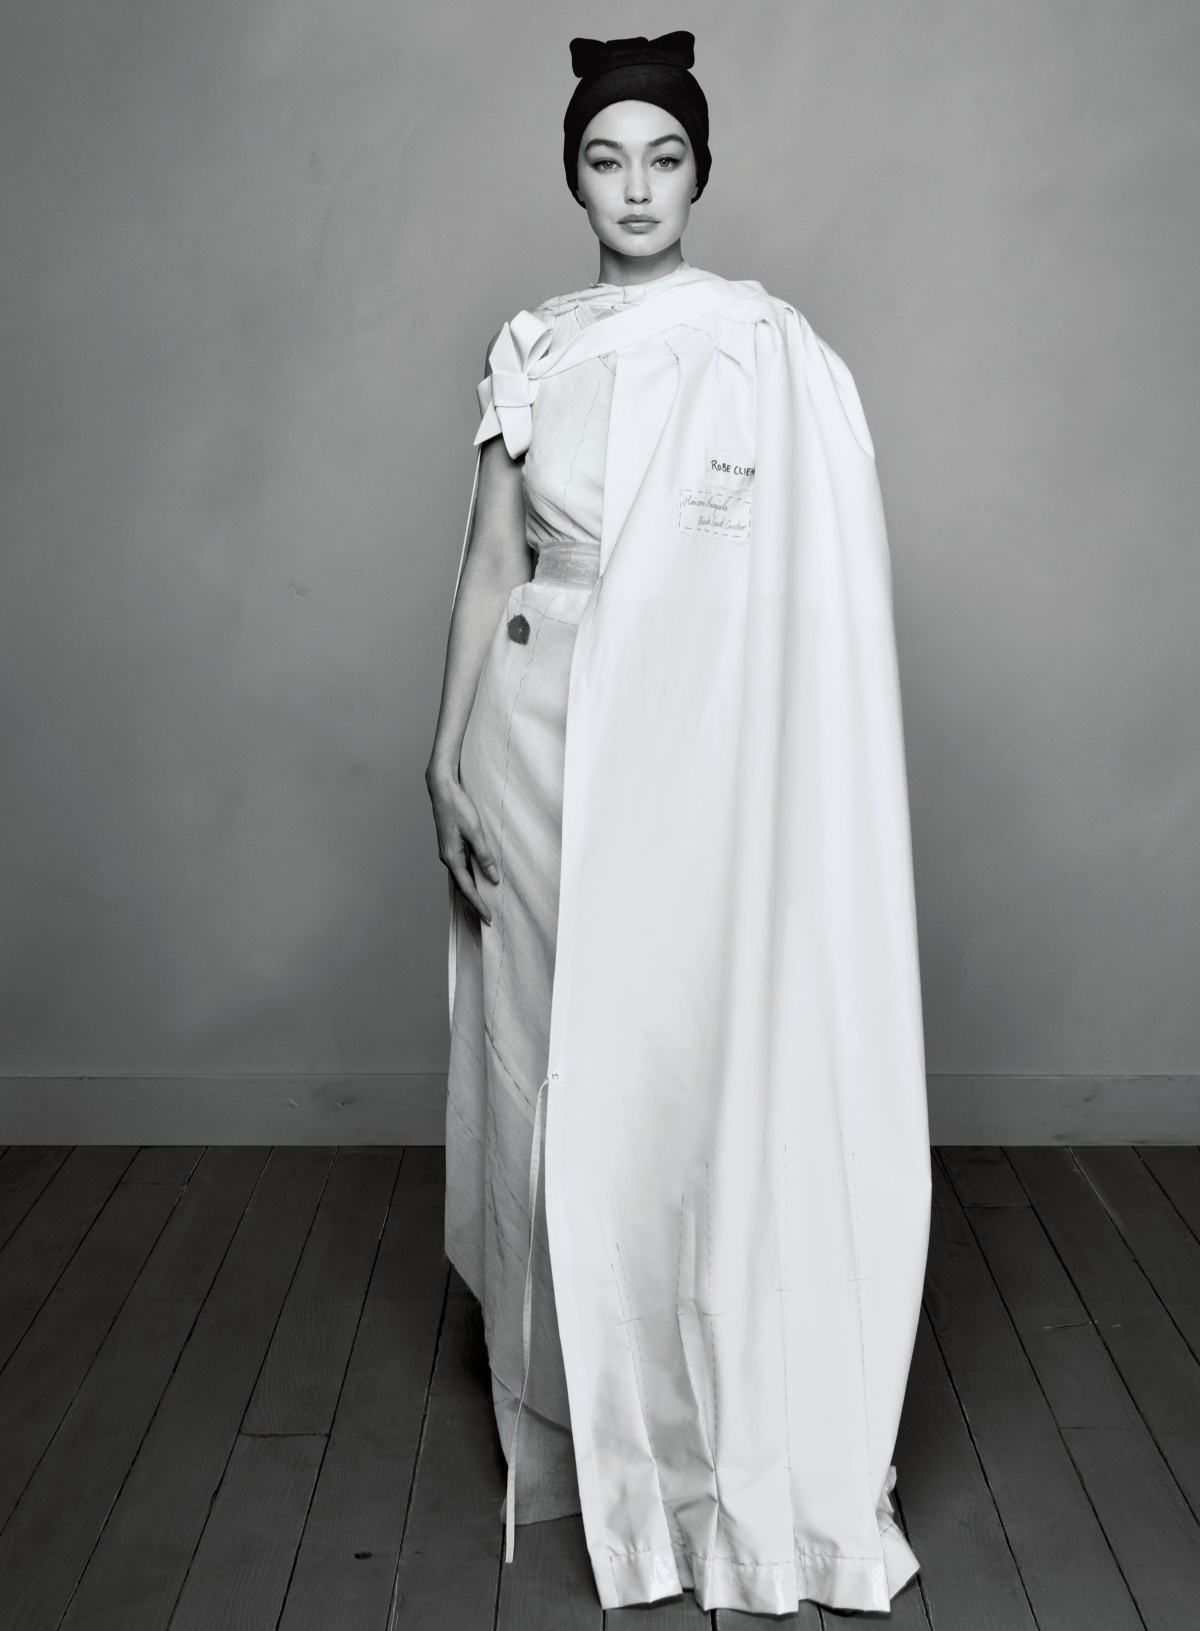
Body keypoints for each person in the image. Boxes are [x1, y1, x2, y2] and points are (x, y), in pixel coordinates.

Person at [425, 31, 931, 1618]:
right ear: (572, 176)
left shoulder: (764, 350)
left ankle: (706, 1428)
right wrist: (442, 757)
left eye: (662, 158)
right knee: (546, 1066)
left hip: (690, 753)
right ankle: (580, 1420)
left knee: (677, 1074)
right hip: (534, 740)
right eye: (605, 159)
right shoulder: (533, 344)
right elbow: (493, 563)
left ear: (702, 172)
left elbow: (803, 591)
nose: (635, 188)